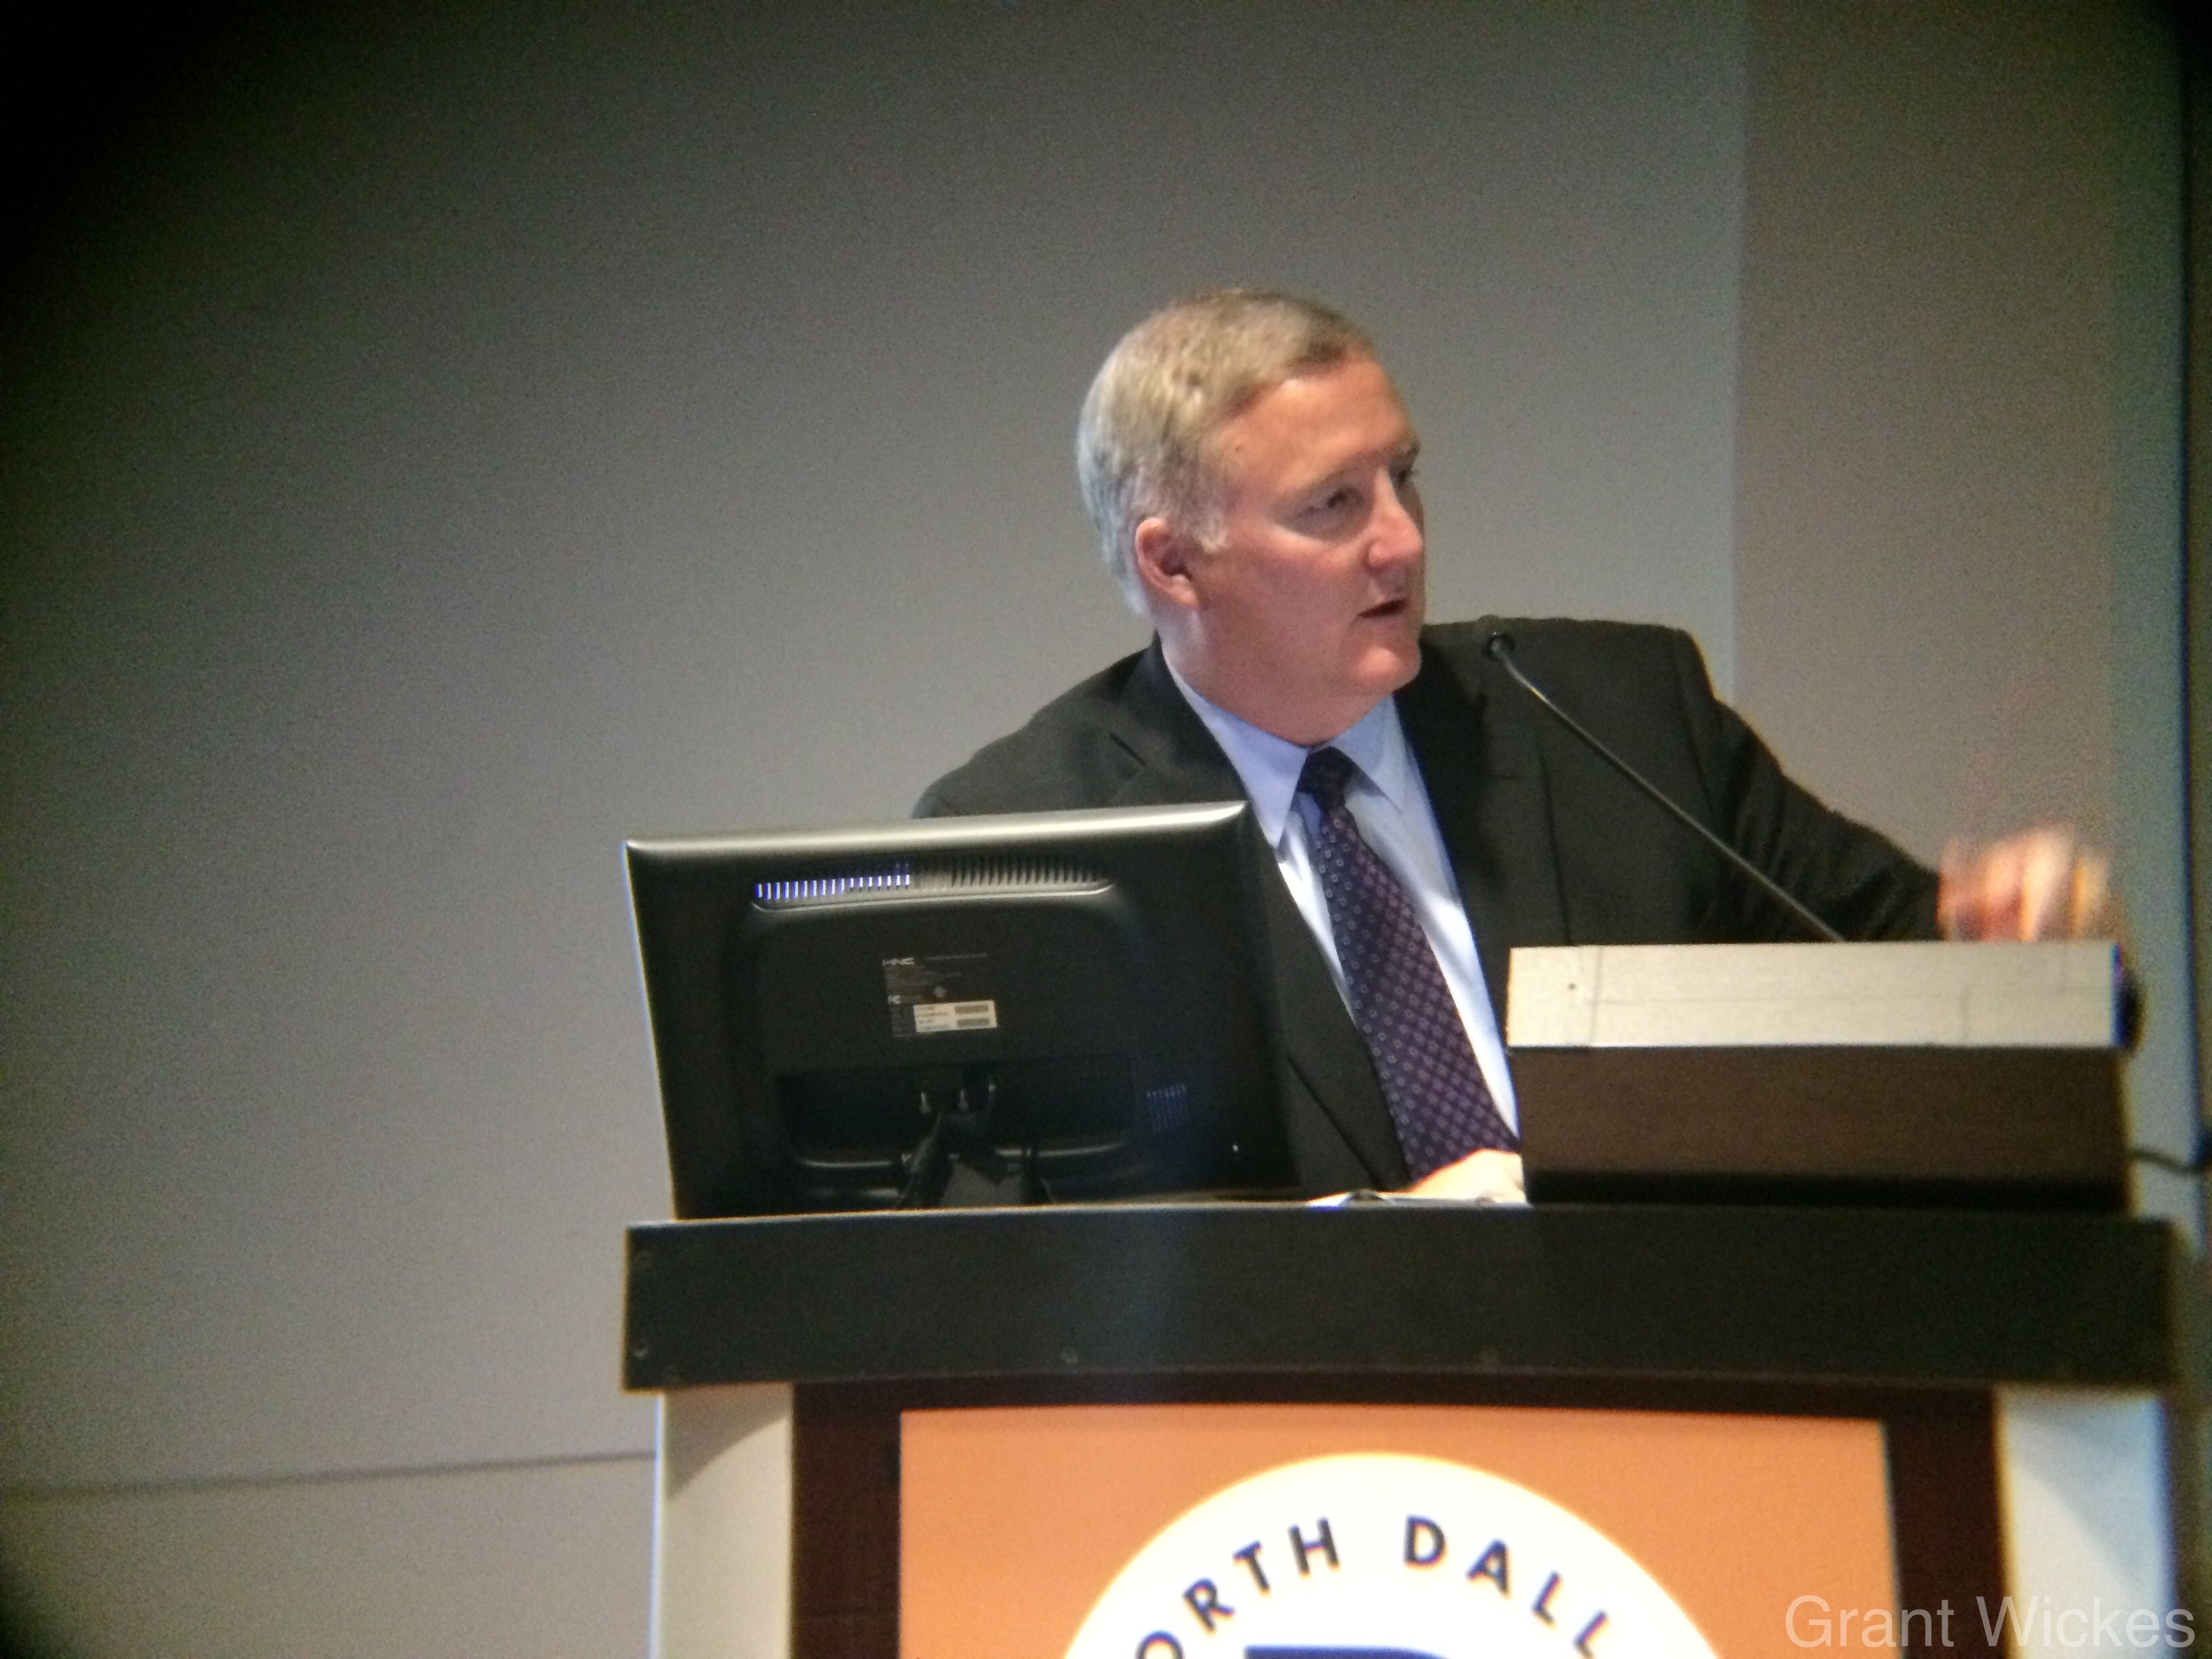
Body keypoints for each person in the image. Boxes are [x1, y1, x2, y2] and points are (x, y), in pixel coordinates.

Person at [916, 289, 2115, 1200]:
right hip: (1302, 1433)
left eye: (1403, 478)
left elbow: (1909, 971)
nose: (1402, 541)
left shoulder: (1621, 716)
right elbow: (996, 1243)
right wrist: (1372, 1242)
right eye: (1334, 504)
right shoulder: (1027, 843)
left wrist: (2019, 953)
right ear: (1174, 562)